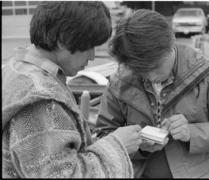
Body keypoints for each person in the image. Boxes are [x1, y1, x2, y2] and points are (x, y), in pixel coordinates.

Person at [96, 9, 209, 178]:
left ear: (170, 45)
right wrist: (138, 145)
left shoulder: (208, 75)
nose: (151, 76)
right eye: (141, 70)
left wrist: (192, 132)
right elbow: (103, 136)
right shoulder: (120, 82)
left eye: (155, 67)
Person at [2, 1, 142, 178]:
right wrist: (117, 145)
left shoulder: (17, 68)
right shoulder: (40, 101)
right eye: (89, 46)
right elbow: (61, 175)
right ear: (63, 40)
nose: (92, 56)